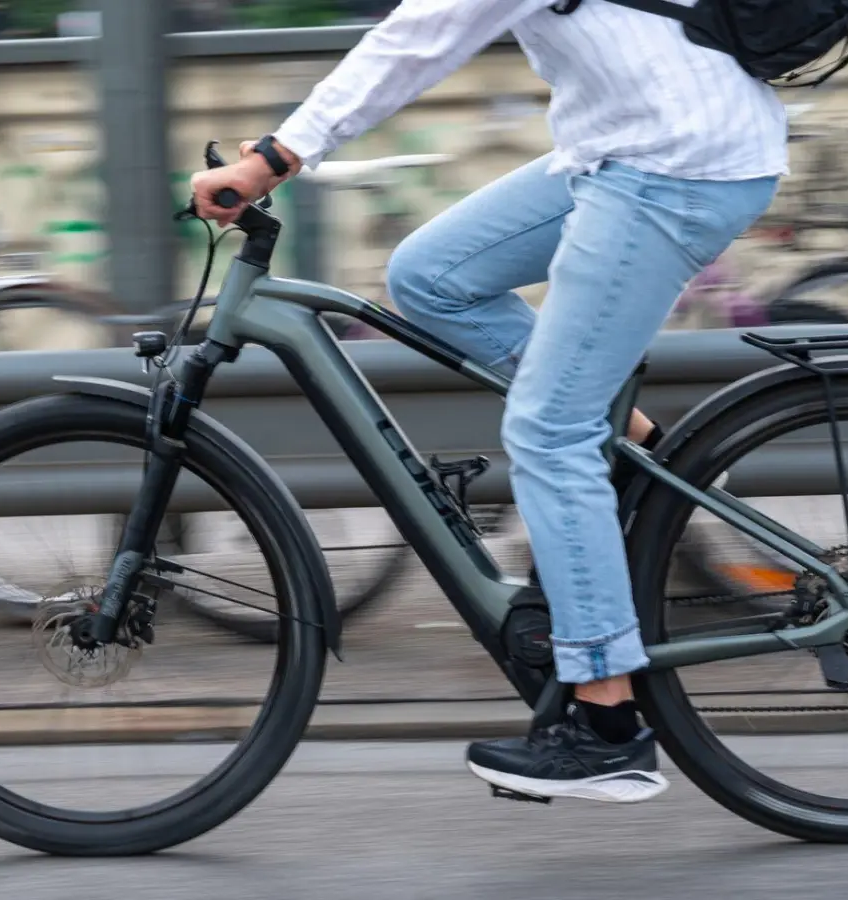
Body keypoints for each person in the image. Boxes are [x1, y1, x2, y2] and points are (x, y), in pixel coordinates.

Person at [189, 0, 784, 804]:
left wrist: (272, 158)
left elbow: (422, 36)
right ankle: (639, 458)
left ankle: (607, 726)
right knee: (431, 278)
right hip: (630, 147)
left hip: (674, 164)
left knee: (548, 433)